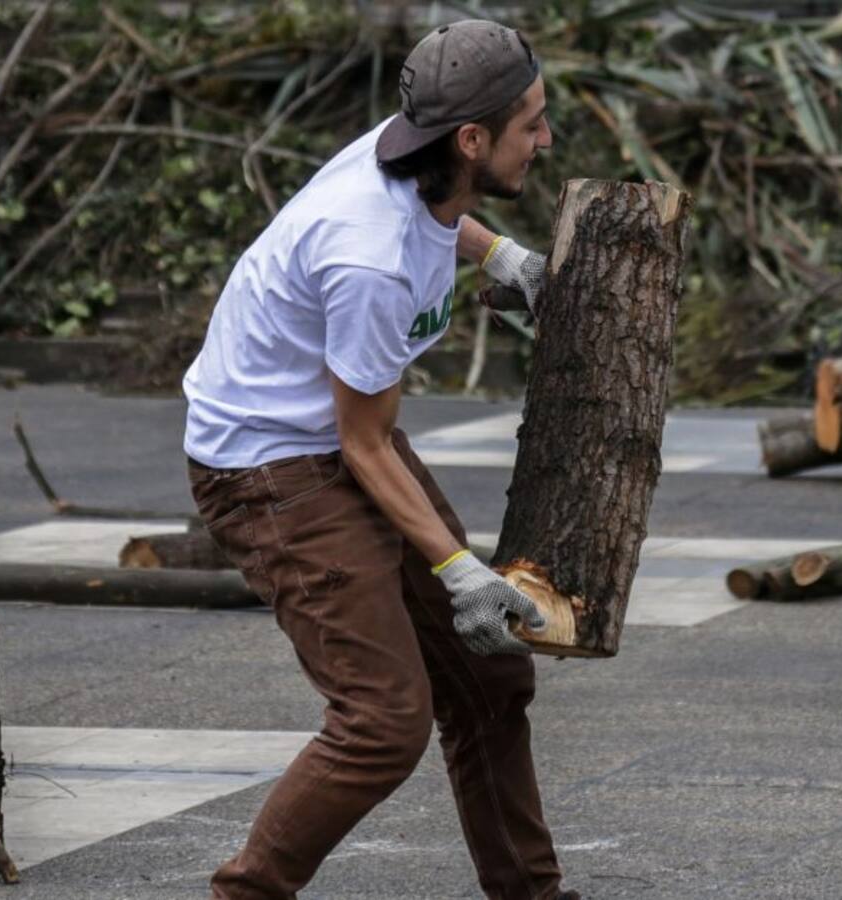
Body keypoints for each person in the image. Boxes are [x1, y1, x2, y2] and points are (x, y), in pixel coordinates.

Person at [182, 19, 580, 900]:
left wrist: (496, 252)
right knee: (382, 722)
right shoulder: (370, 262)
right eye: (533, 125)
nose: (546, 139)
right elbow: (364, 443)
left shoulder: (414, 149)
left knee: (490, 678)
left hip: (330, 439)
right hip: (269, 472)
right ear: (472, 139)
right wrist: (456, 569)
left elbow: (439, 215)